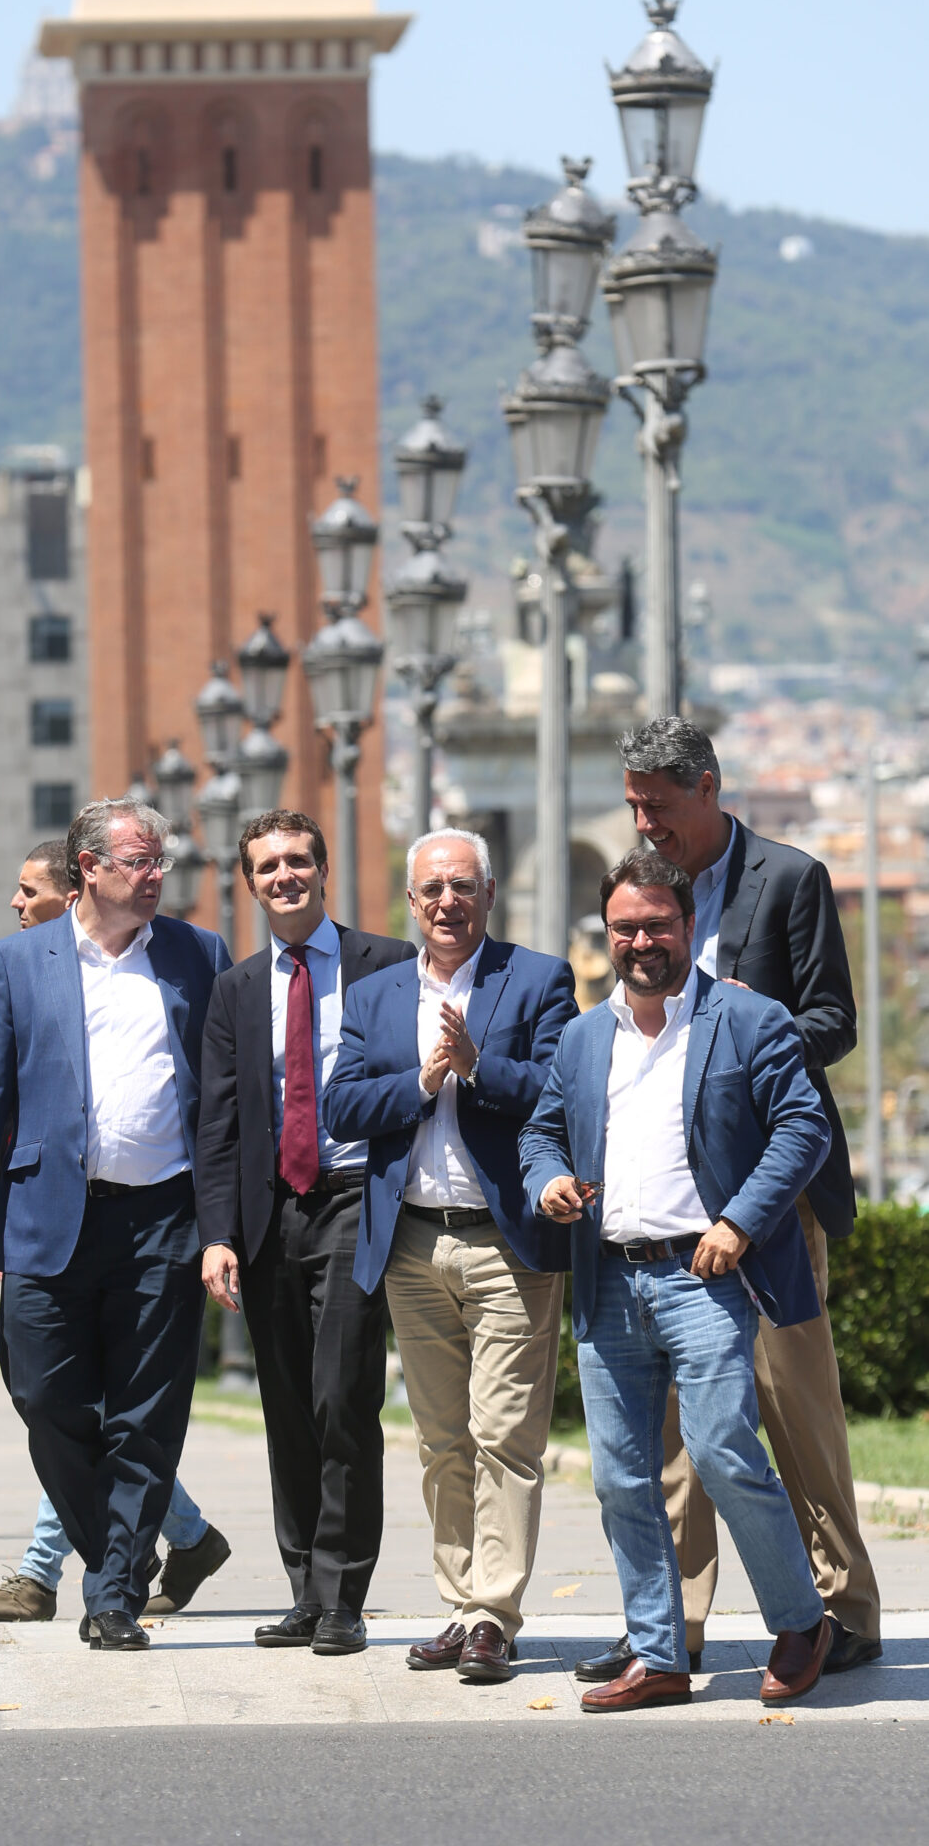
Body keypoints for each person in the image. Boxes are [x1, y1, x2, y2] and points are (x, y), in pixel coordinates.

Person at [567, 717, 880, 1683]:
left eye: (657, 805)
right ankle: (674, 1626)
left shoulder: (786, 879)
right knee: (666, 1432)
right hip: (657, 1204)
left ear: (706, 787)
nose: (644, 821)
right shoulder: (638, 890)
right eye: (632, 806)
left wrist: (742, 1030)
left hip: (765, 1198)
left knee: (791, 1406)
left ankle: (841, 1607)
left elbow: (834, 1021)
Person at [521, 847, 836, 1712]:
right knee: (621, 1478)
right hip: (608, 1283)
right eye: (623, 928)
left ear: (689, 926)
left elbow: (802, 1126)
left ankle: (800, 1621)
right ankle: (658, 1655)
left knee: (723, 1452)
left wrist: (739, 1221)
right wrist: (546, 1180)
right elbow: (541, 1132)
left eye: (656, 925)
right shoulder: (584, 1037)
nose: (639, 942)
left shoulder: (748, 1019)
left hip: (706, 1276)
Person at [0, 798, 230, 1652]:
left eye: (159, 862)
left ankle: (112, 1597)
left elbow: (222, 1099)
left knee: (146, 1417)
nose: (155, 877)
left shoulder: (197, 954)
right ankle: (115, 1555)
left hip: (163, 1220)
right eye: (138, 862)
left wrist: (222, 1223)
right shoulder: (16, 962)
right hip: (46, 1216)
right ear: (89, 869)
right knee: (44, 1397)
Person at [323, 830, 579, 1684]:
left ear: (489, 894)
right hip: (410, 1243)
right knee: (440, 1440)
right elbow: (341, 1106)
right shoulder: (375, 994)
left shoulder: (536, 979)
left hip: (506, 1241)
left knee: (504, 1435)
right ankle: (460, 1602)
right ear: (410, 900)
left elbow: (566, 1092)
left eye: (462, 886)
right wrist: (421, 1082)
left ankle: (492, 1616)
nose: (446, 902)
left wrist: (476, 1068)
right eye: (431, 888)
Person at [197, 810, 413, 1656]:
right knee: (285, 1406)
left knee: (341, 1395)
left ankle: (345, 1596)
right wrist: (217, 1233)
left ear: (322, 870)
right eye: (266, 866)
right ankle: (305, 1593)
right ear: (250, 884)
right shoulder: (236, 989)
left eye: (296, 860)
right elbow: (217, 1122)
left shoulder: (386, 965)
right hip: (267, 1216)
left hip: (355, 1199)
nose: (283, 876)